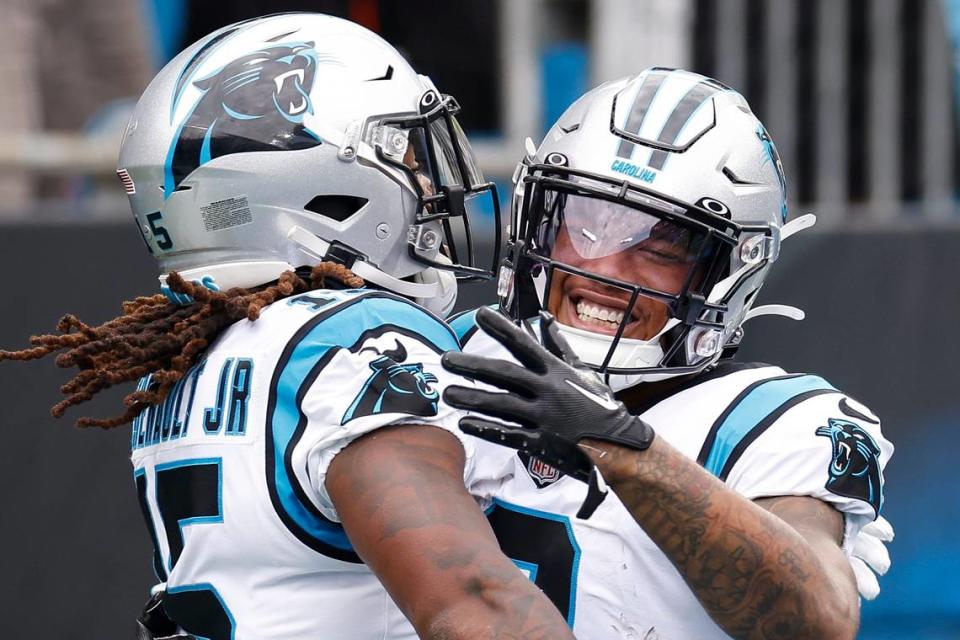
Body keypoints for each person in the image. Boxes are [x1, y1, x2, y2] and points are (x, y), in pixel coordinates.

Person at [0, 14, 573, 640]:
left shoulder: (196, 351)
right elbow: (476, 603)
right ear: (320, 181)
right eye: (403, 151)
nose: (429, 182)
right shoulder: (355, 343)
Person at [441, 68, 894, 639]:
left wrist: (622, 447)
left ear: (728, 275)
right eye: (584, 223)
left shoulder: (771, 422)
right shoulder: (454, 353)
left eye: (660, 246)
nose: (603, 268)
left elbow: (814, 624)